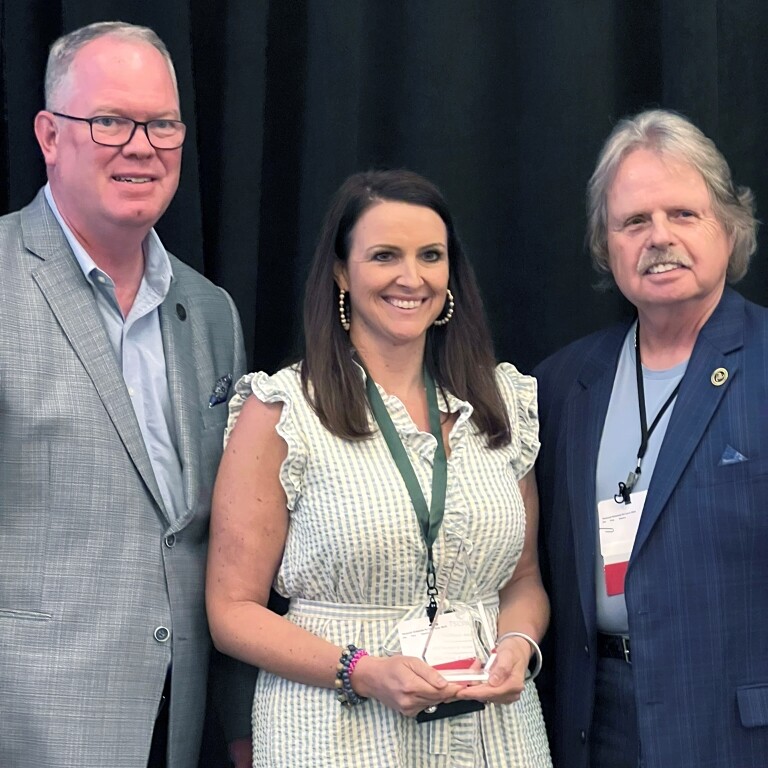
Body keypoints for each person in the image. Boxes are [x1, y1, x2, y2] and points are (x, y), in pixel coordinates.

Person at [206, 169, 552, 767]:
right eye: (384, 255)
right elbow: (231, 611)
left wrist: (519, 644)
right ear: (341, 271)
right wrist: (362, 671)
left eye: (430, 256)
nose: (411, 278)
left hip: (495, 732)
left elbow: (523, 582)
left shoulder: (503, 404)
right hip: (335, 731)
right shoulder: (283, 410)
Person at [0, 21, 255, 768]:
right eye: (110, 120)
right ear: (49, 135)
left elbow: (222, 543)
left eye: (162, 122)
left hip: (175, 729)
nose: (141, 145)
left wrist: (240, 730)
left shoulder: (212, 313)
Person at [534, 108, 768, 768]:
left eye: (683, 214)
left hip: (736, 733)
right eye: (634, 221)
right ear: (606, 245)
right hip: (593, 724)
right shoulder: (560, 384)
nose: (658, 237)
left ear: (730, 226)